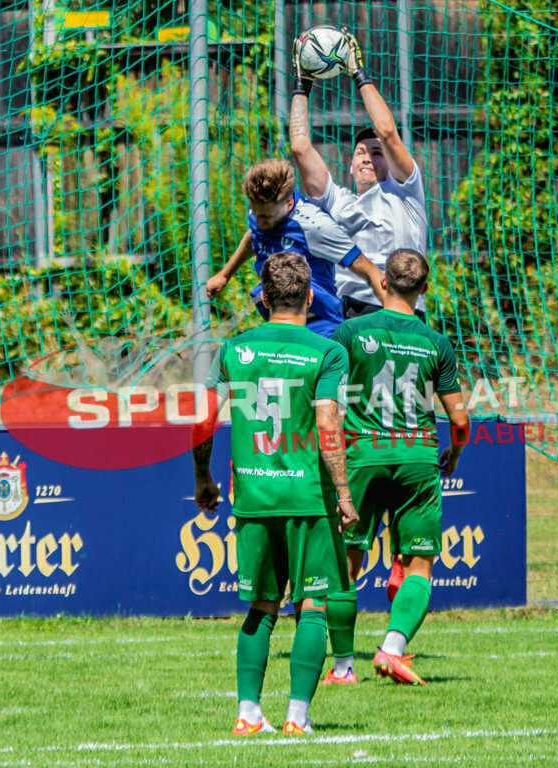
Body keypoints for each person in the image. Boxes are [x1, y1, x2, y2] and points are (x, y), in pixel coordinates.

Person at [192, 251, 359, 735]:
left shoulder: (234, 349)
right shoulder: (328, 352)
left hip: (254, 495)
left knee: (261, 606)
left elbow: (203, 417)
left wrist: (202, 477)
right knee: (314, 605)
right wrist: (344, 493)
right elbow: (328, 422)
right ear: (310, 297)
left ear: (262, 299)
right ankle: (296, 719)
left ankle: (247, 715)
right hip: (308, 497)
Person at [324, 249, 470, 686]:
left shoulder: (350, 331)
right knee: (420, 563)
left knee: (346, 563)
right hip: (417, 459)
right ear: (425, 289)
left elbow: (324, 399)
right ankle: (392, 649)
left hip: (362, 458)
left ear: (382, 283)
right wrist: (455, 454)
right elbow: (460, 420)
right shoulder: (435, 342)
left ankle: (343, 667)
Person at [289, 28, 430, 320]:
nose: (367, 157)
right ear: (350, 165)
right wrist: (302, 84)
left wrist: (357, 72)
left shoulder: (405, 193)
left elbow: (388, 132)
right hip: (352, 312)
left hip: (403, 311)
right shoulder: (338, 201)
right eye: (360, 153)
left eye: (376, 153)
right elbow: (300, 147)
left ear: (389, 162)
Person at [206, 158, 386, 338]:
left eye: (266, 217)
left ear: (289, 204)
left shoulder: (315, 226)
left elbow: (369, 270)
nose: (259, 222)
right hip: (276, 322)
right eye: (256, 214)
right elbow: (254, 235)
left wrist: (400, 317)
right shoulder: (261, 207)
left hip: (318, 327)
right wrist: (225, 275)